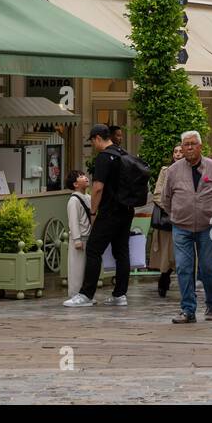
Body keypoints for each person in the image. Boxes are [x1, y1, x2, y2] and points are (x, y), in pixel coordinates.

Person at [160, 130, 212, 323]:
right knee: (183, 267)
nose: (189, 147)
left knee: (208, 267)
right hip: (181, 226)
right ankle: (188, 310)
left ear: (200, 146)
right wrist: (176, 215)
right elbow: (166, 199)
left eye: (192, 144)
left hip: (211, 224)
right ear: (181, 147)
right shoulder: (173, 171)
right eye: (185, 144)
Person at [64, 124, 133, 308]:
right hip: (126, 210)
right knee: (121, 252)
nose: (93, 145)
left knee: (93, 250)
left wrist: (93, 212)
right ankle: (120, 294)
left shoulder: (103, 157)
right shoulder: (123, 153)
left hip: (109, 211)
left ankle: (86, 294)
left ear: (97, 138)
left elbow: (98, 188)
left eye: (93, 141)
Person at [150, 145, 182, 297]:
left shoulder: (194, 170)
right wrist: (171, 209)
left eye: (180, 151)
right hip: (168, 220)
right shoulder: (165, 171)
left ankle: (186, 283)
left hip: (187, 219)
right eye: (175, 151)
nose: (178, 154)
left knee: (182, 254)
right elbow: (157, 194)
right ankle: (164, 279)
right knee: (167, 254)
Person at [64, 170, 93, 299]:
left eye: (84, 175)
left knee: (86, 269)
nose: (85, 178)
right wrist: (76, 239)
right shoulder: (74, 200)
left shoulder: (88, 197)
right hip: (80, 238)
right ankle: (74, 293)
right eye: (81, 177)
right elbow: (73, 221)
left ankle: (84, 294)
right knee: (77, 268)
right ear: (75, 184)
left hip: (88, 237)